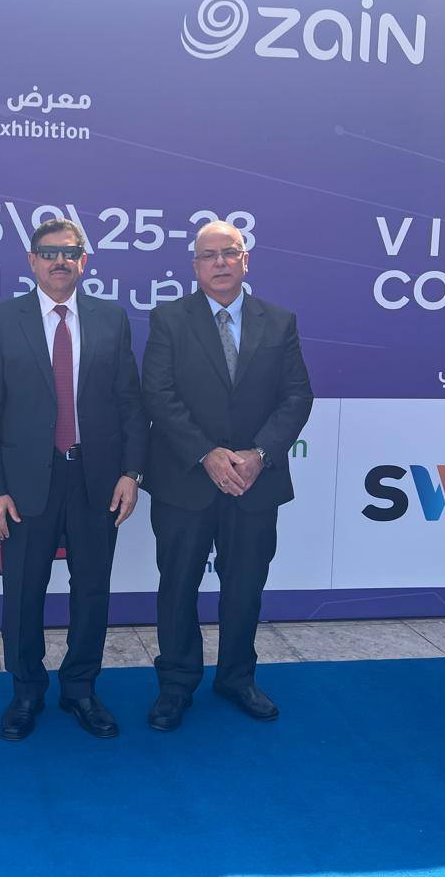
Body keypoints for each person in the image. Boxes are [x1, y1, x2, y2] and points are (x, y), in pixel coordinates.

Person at [0, 218, 147, 740]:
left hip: (97, 480)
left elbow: (130, 404)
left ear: (84, 262)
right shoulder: (2, 320)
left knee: (92, 591)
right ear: (31, 261)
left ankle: (80, 688)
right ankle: (26, 691)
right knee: (23, 593)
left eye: (70, 252)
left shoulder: (111, 319)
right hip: (26, 484)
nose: (60, 261)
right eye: (49, 253)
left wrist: (131, 472)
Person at [141, 220, 313, 731]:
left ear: (245, 260)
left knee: (245, 586)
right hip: (185, 481)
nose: (220, 262)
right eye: (209, 255)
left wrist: (258, 455)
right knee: (178, 586)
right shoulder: (168, 319)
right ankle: (176, 684)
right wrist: (207, 454)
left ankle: (237, 677)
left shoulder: (278, 322)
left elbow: (297, 396)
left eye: (229, 253)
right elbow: (158, 395)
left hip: (254, 483)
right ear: (195, 265)